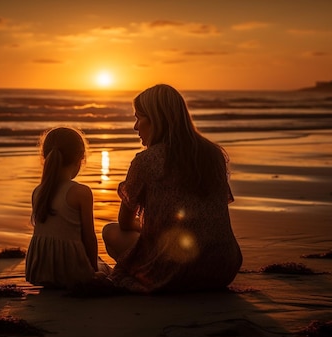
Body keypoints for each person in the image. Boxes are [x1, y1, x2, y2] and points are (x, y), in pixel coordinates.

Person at [102, 84, 243, 293]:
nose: (135, 126)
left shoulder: (146, 160)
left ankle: (146, 274)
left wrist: (149, 230)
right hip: (223, 266)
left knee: (110, 231)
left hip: (175, 271)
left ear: (156, 118)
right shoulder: (213, 155)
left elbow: (124, 222)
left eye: (138, 117)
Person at [26, 127, 110, 289]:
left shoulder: (38, 192)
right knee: (105, 268)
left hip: (41, 271)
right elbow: (89, 238)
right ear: (80, 158)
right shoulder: (80, 192)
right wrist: (93, 271)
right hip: (72, 272)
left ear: (45, 157)